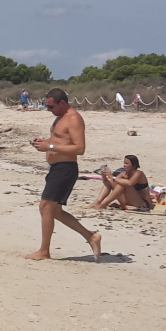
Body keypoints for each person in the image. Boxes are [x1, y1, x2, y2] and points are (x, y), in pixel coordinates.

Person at [27, 88, 102, 261]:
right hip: (56, 168)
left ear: (62, 103)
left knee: (45, 207)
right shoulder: (59, 118)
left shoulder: (73, 118)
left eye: (51, 106)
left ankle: (44, 251)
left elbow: (80, 148)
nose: (48, 109)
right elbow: (59, 140)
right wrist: (44, 143)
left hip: (65, 168)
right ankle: (91, 237)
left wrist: (50, 147)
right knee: (55, 212)